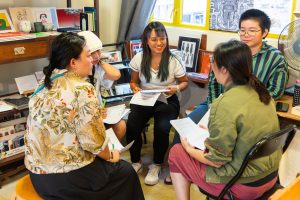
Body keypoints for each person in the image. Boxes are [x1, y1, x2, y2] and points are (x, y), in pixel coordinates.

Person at [24, 32, 144, 200]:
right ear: (73, 62)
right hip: (65, 181)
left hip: (38, 175)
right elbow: (93, 143)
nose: (92, 60)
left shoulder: (44, 81)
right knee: (125, 171)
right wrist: (111, 155)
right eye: (88, 55)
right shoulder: (82, 88)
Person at [169, 40, 281, 200]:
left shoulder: (224, 103)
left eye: (213, 62)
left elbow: (216, 161)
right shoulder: (262, 93)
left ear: (224, 70)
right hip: (269, 176)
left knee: (176, 152)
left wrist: (189, 149)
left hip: (243, 184)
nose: (211, 66)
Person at [172, 9, 288, 145]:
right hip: (217, 105)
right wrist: (215, 108)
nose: (246, 35)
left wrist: (242, 109)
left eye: (252, 30)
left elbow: (275, 92)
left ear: (265, 32)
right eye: (242, 30)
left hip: (248, 113)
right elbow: (214, 82)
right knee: (184, 131)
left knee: (219, 142)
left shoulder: (275, 58)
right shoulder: (229, 51)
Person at [125, 21, 188, 186]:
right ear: (146, 41)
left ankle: (156, 164)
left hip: (166, 99)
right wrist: (135, 88)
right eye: (154, 40)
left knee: (162, 127)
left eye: (162, 39)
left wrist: (176, 88)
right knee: (132, 125)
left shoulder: (173, 60)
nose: (159, 43)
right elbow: (133, 82)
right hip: (145, 97)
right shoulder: (139, 57)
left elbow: (184, 82)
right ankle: (136, 161)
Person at [78, 31, 126, 141]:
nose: (96, 55)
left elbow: (116, 75)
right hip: (85, 117)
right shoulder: (76, 72)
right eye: (91, 53)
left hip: (100, 113)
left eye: (98, 51)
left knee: (121, 126)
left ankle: (107, 153)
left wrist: (99, 61)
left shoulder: (96, 67)